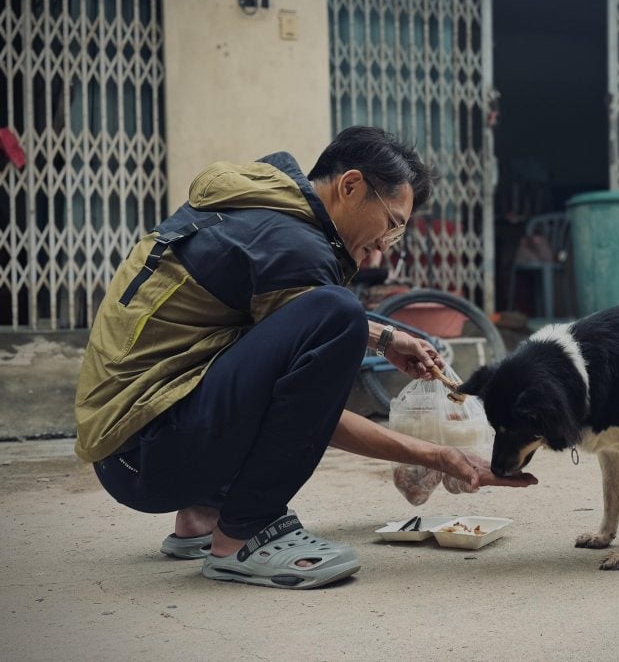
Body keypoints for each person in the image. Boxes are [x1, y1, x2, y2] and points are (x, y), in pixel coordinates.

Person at [74, 126, 537, 590]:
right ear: (351, 186)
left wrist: (382, 338)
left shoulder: (261, 212)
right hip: (154, 457)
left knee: (338, 316)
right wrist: (440, 455)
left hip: (131, 453)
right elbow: (307, 416)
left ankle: (202, 514)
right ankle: (245, 534)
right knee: (338, 312)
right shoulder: (295, 246)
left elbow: (252, 341)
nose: (384, 245)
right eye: (392, 223)